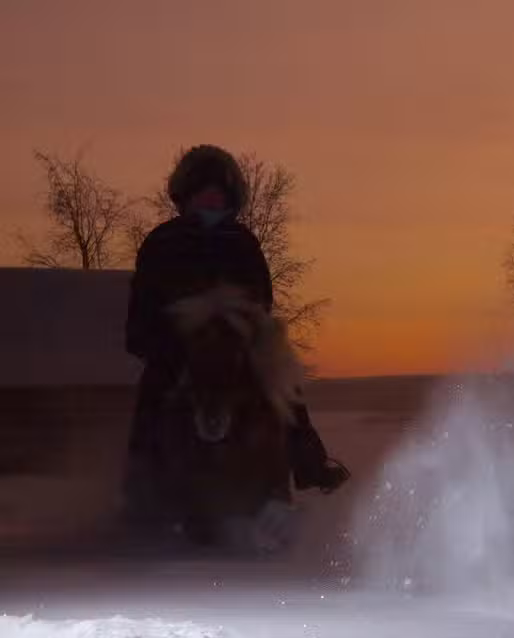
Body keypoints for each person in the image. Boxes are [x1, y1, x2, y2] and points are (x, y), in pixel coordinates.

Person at [122, 145, 349, 531]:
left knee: (283, 387)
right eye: (203, 190)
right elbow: (144, 303)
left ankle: (308, 461)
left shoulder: (242, 241)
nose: (211, 198)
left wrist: (248, 325)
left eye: (218, 192)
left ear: (230, 197)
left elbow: (262, 295)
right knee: (155, 393)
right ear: (186, 195)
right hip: (178, 339)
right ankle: (141, 485)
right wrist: (162, 338)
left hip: (240, 335)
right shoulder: (163, 241)